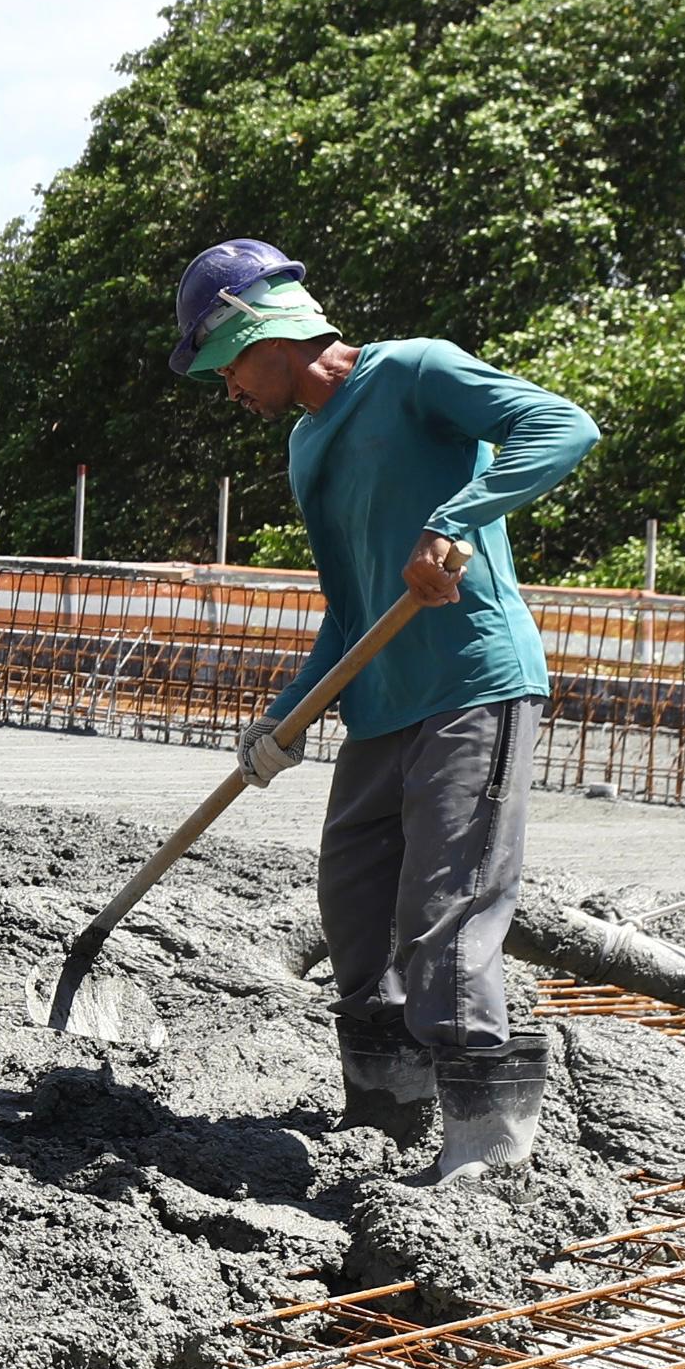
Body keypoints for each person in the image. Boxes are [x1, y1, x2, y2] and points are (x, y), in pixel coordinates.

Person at [181, 239, 599, 1179]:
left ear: (267, 337)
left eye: (227, 368)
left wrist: (455, 520)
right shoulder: (304, 443)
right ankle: (386, 1106)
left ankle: (487, 1149)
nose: (229, 391)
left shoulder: (415, 370)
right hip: (378, 707)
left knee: (445, 909)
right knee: (356, 906)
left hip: (469, 686)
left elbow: (562, 426)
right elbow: (352, 613)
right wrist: (280, 721)